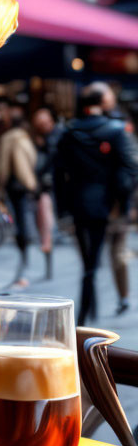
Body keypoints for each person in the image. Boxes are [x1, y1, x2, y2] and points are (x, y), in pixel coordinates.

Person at [55, 83, 138, 325]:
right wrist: (122, 200)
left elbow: (59, 172)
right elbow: (130, 168)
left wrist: (62, 208)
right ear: (101, 102)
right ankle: (84, 318)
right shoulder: (116, 130)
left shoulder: (69, 132)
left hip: (78, 203)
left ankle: (86, 314)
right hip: (107, 205)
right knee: (93, 262)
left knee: (89, 262)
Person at [91, 82, 134, 314]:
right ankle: (103, 298)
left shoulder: (117, 126)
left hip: (114, 201)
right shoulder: (111, 126)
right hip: (105, 200)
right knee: (106, 253)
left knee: (116, 251)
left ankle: (122, 296)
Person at [0, 105, 37, 288]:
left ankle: (23, 254)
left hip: (14, 185)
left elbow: (2, 166)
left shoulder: (7, 139)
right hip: (25, 185)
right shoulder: (25, 138)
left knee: (19, 221)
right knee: (24, 218)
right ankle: (26, 253)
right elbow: (31, 160)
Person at [32, 108, 62, 281]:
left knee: (47, 228)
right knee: (46, 228)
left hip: (53, 190)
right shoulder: (43, 140)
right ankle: (48, 266)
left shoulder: (55, 138)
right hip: (46, 189)